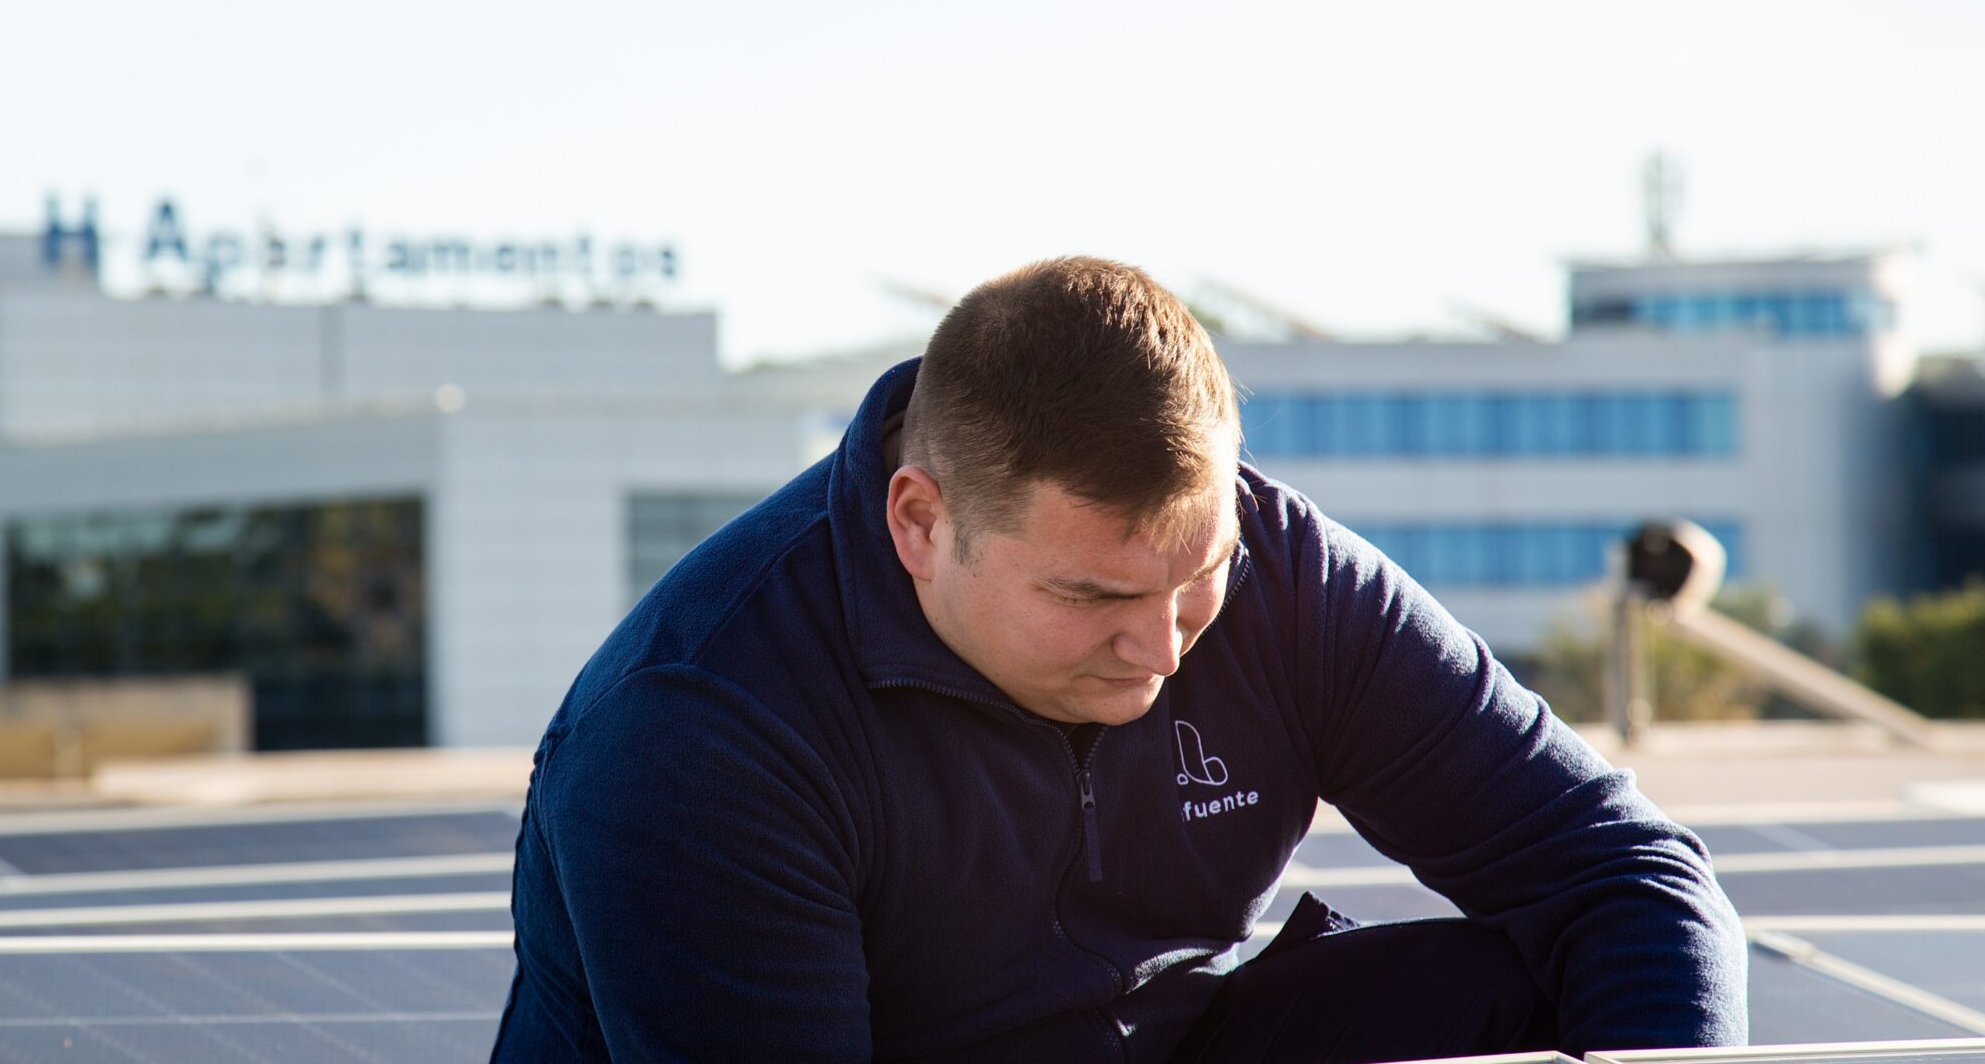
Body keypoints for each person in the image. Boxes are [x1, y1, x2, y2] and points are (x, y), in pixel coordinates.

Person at [493, 256, 1746, 1062]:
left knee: (1558, 974)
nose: (1159, 648)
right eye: (1088, 593)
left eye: (1195, 577)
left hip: (1172, 1043)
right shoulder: (701, 726)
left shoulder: (1288, 572)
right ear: (920, 524)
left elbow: (1623, 868)